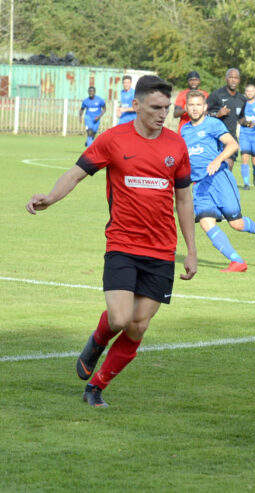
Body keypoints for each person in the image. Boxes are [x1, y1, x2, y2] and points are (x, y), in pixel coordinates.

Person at [27, 75, 198, 407]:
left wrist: (191, 251)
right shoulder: (113, 139)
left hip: (162, 250)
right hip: (122, 244)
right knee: (119, 319)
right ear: (136, 105)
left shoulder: (176, 145)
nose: (162, 114)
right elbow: (75, 174)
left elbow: (184, 199)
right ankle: (98, 339)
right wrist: (50, 197)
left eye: (166, 107)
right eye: (155, 107)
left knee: (138, 326)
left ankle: (96, 387)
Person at [181, 90, 255, 272]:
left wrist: (217, 160)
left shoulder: (213, 124)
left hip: (219, 179)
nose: (195, 108)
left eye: (198, 105)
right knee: (206, 222)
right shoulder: (184, 131)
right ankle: (237, 261)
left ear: (205, 107)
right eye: (191, 105)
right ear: (186, 107)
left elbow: (233, 144)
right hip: (200, 185)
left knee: (236, 224)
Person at [206, 68, 247, 172]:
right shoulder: (216, 95)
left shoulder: (242, 99)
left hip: (231, 140)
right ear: (226, 79)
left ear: (239, 80)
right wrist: (217, 114)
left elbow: (241, 118)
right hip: (215, 140)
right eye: (231, 77)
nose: (233, 80)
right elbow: (203, 113)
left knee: (227, 169)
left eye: (236, 78)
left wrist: (246, 123)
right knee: (212, 172)